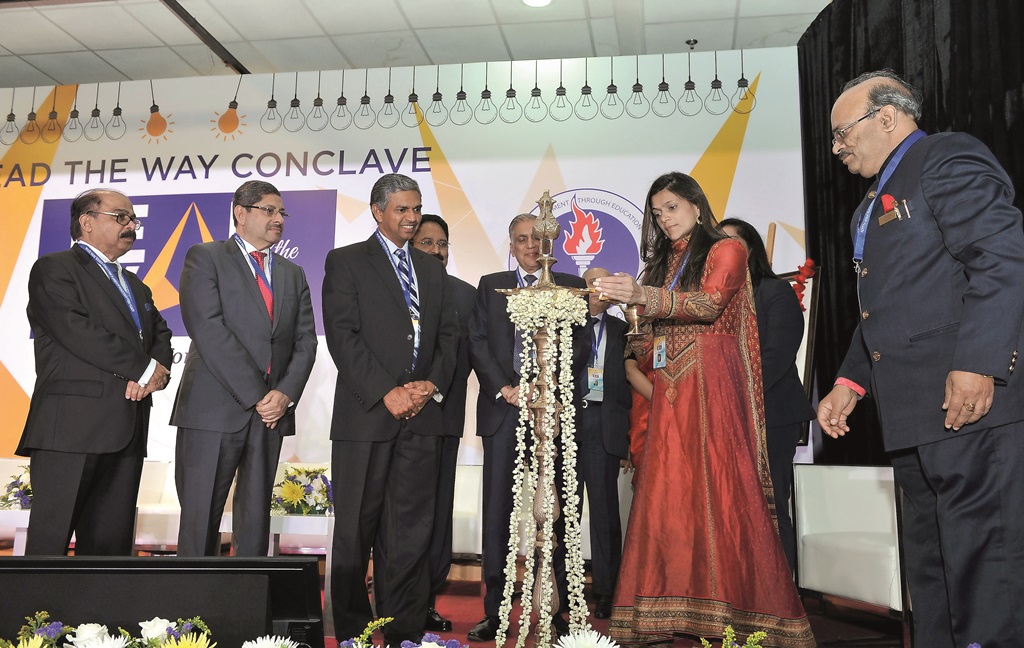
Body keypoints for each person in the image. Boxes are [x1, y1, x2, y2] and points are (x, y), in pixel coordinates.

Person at [817, 70, 1024, 648]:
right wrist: (850, 382)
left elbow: (1001, 257)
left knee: (986, 569)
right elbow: (884, 307)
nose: (838, 148)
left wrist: (979, 362)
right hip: (913, 416)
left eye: (842, 133)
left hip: (970, 406)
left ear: (887, 117)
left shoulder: (944, 157)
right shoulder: (869, 204)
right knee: (932, 572)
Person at [594, 172, 814, 647]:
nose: (664, 219)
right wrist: (639, 334)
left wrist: (643, 296)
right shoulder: (669, 258)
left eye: (671, 207)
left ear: (697, 204)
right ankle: (668, 611)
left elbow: (710, 303)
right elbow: (658, 327)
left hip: (714, 389)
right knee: (670, 499)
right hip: (671, 394)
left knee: (724, 500)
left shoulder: (726, 250)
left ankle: (738, 611)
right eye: (657, 212)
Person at [323, 174, 458, 646]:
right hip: (366, 417)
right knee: (356, 530)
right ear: (378, 211)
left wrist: (428, 385)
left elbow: (447, 337)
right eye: (401, 209)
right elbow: (343, 337)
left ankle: (402, 631)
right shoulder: (346, 262)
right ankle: (355, 632)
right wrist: (387, 391)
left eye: (416, 208)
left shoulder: (432, 267)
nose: (411, 217)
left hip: (422, 417)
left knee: (409, 534)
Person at [18, 188, 173, 556]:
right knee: (50, 544)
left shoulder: (136, 284)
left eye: (133, 219)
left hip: (127, 428)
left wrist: (156, 369)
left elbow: (161, 334)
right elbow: (77, 331)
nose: (131, 225)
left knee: (109, 550)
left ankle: (98, 617)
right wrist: (143, 367)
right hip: (70, 430)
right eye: (120, 217)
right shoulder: (54, 268)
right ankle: (33, 616)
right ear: (86, 222)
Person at [171, 180, 318, 557]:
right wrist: (259, 396)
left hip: (270, 415)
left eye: (282, 212)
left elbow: (306, 341)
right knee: (201, 516)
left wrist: (283, 395)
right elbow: (208, 329)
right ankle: (191, 612)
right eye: (269, 210)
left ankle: (247, 608)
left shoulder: (292, 272)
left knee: (255, 522)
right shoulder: (205, 256)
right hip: (214, 409)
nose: (279, 219)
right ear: (241, 212)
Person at [466, 213, 587, 642]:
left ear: (550, 242)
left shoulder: (571, 287)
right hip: (503, 411)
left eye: (537, 239)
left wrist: (545, 388)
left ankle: (553, 610)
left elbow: (581, 345)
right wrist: (507, 387)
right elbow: (477, 341)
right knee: (498, 514)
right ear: (512, 244)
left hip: (553, 414)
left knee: (554, 515)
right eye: (522, 239)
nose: (530, 246)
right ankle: (495, 613)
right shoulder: (490, 284)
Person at [720, 218, 815, 574]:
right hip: (728, 417)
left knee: (771, 505)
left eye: (732, 242)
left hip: (772, 416)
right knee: (735, 511)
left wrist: (732, 393)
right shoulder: (719, 300)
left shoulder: (775, 292)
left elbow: (776, 357)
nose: (725, 250)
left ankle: (784, 602)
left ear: (750, 249)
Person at [576, 267, 631, 619]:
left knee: (606, 514)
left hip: (605, 427)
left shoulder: (624, 329)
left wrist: (631, 439)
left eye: (603, 283)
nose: (598, 290)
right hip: (568, 424)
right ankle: (564, 593)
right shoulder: (566, 325)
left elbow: (632, 386)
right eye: (591, 284)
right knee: (562, 515)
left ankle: (608, 591)